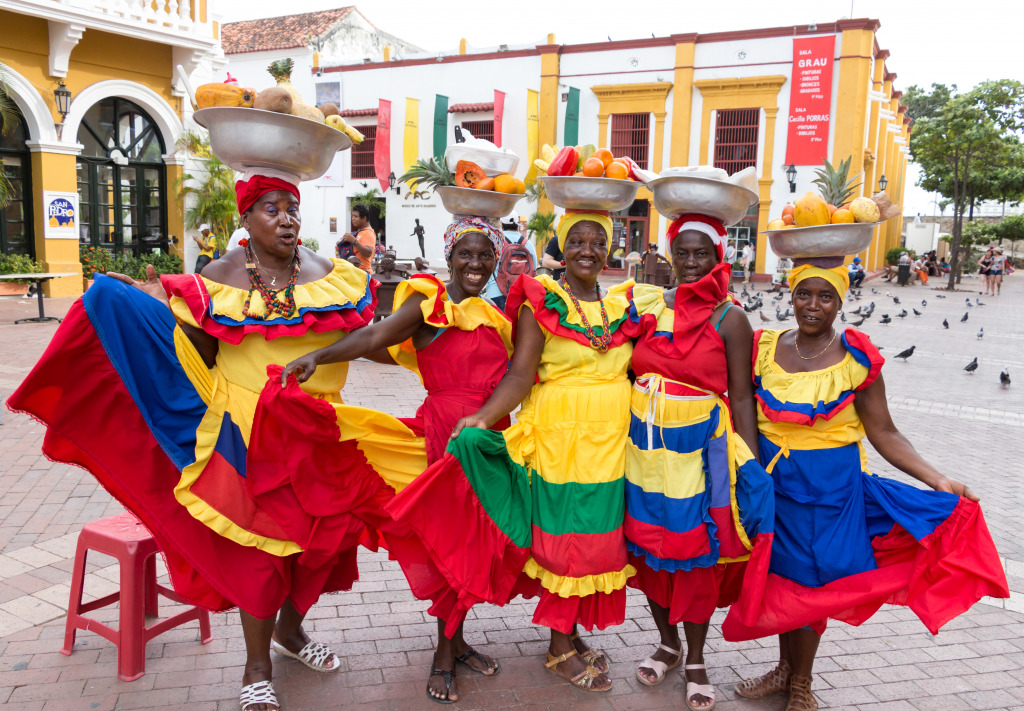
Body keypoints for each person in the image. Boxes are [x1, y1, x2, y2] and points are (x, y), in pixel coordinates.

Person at [10, 172, 425, 711]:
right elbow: (192, 347)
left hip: (324, 434)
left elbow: (363, 340)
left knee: (327, 544)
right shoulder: (219, 278)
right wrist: (144, 301)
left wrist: (433, 342)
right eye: (271, 209)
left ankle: (291, 633)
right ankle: (257, 667)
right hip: (244, 436)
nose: (286, 218)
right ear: (246, 221)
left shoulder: (335, 276)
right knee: (258, 552)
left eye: (292, 208)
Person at [725, 261, 1009, 711]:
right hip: (775, 485)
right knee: (781, 577)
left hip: (833, 491)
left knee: (816, 580)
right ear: (790, 295)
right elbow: (738, 402)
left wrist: (937, 479)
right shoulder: (765, 346)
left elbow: (886, 433)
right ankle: (785, 671)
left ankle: (802, 680)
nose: (812, 306)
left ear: (841, 302)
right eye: (804, 294)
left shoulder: (856, 359)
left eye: (825, 297)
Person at [389, 210, 637, 693]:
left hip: (607, 445)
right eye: (577, 241)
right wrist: (483, 418)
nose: (588, 250)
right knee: (546, 539)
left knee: (595, 539)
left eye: (598, 241)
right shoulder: (537, 301)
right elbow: (520, 374)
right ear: (561, 250)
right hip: (554, 441)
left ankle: (566, 634)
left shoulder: (624, 304)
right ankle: (553, 644)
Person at [279, 215, 514, 704]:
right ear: (449, 257)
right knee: (451, 545)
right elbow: (372, 337)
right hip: (444, 443)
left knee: (476, 545)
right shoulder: (429, 303)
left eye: (484, 254)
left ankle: (459, 641)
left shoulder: (497, 313)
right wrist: (318, 357)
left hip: (492, 445)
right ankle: (444, 655)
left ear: (496, 260)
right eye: (465, 254)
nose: (474, 263)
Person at [625, 214, 774, 710]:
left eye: (701, 254)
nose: (691, 263)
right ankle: (666, 643)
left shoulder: (731, 318)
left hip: (703, 457)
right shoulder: (647, 308)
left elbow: (742, 396)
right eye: (683, 253)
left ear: (718, 257)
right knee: (648, 548)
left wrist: (747, 464)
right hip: (643, 450)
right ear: (670, 256)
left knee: (696, 555)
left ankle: (695, 658)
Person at [485, 213, 537, 310]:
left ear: (501, 224)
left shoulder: (496, 242)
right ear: (517, 225)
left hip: (495, 292)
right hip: (521, 294)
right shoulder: (527, 243)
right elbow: (534, 268)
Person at [340, 204, 376, 273]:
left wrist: (354, 241)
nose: (352, 219)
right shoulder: (360, 232)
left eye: (356, 216)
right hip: (356, 272)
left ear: (364, 218)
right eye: (352, 216)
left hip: (363, 272)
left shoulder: (368, 232)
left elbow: (368, 252)